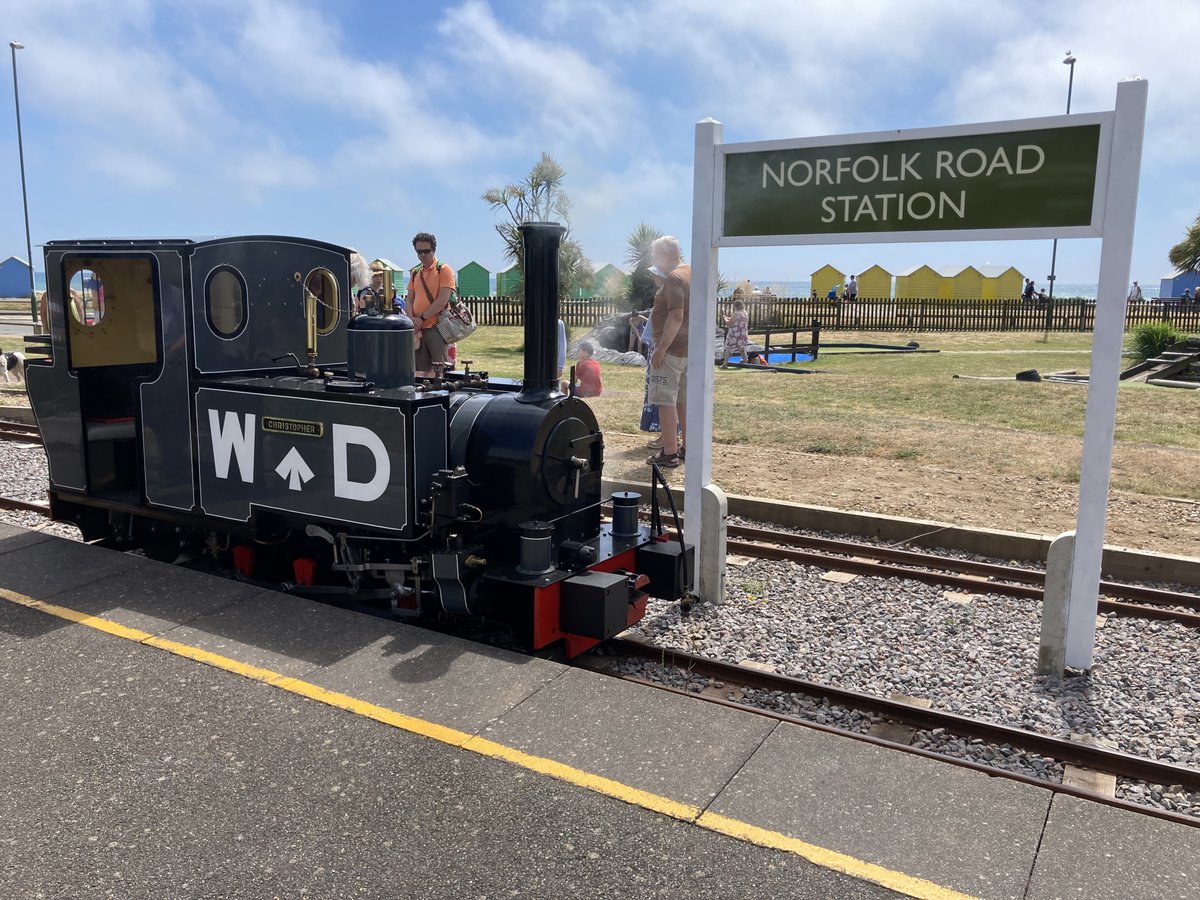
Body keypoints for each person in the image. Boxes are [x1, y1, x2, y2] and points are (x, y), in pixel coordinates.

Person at [646, 236, 690, 468]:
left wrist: (660, 349)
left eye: (655, 255)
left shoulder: (674, 277)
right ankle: (686, 448)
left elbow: (676, 315)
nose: (654, 260)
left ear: (667, 254)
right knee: (682, 400)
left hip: (671, 351)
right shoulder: (692, 272)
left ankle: (669, 452)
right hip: (688, 350)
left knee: (666, 401)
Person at [404, 232, 456, 377]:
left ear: (434, 250)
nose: (423, 255)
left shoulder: (444, 270)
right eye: (419, 252)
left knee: (440, 370)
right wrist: (411, 319)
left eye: (426, 251)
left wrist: (421, 318)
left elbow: (442, 301)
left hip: (437, 327)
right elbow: (409, 299)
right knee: (419, 371)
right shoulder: (415, 272)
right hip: (418, 329)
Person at [720, 299, 748, 367]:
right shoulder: (744, 312)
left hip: (734, 334)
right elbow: (737, 319)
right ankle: (745, 361)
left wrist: (724, 318)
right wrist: (728, 317)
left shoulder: (736, 313)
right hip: (743, 334)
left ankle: (725, 363)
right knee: (742, 348)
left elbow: (728, 324)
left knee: (728, 347)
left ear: (735, 306)